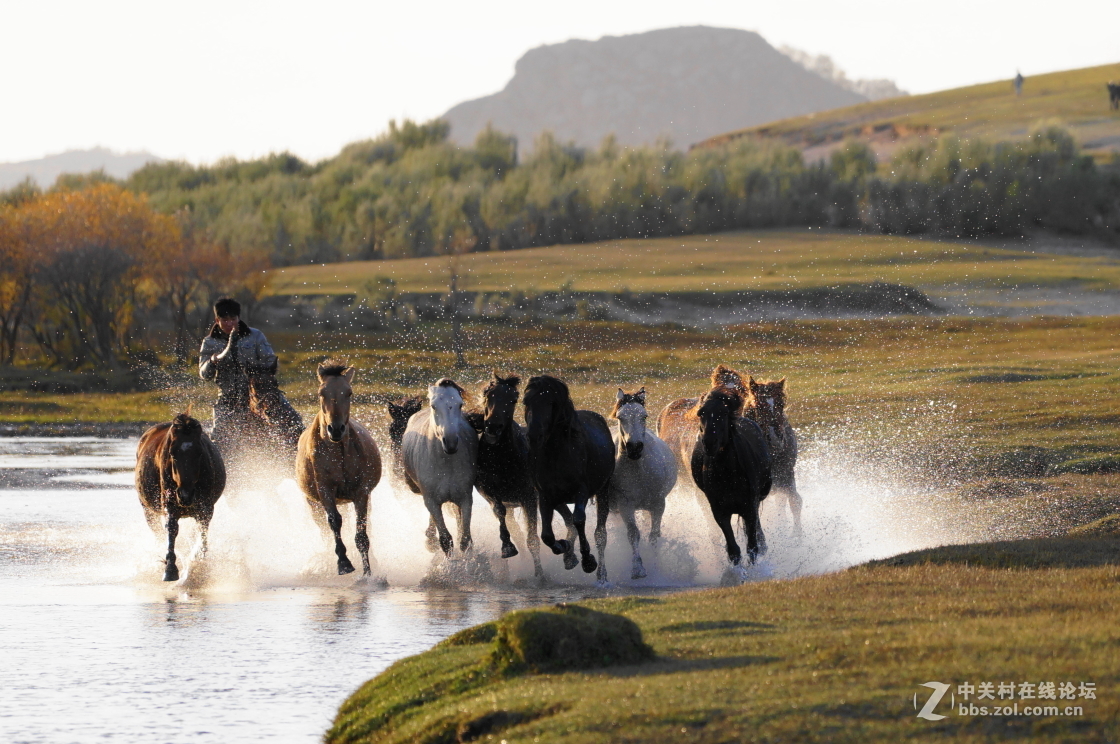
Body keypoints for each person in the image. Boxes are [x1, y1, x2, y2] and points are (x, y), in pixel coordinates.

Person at [198, 298, 302, 449]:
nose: (229, 324)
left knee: (294, 422)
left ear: (238, 318)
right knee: (218, 441)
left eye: (232, 319)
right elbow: (203, 374)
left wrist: (255, 369)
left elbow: (270, 360)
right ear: (217, 320)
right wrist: (212, 362)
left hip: (262, 392)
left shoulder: (255, 336)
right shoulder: (209, 342)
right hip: (229, 397)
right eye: (224, 320)